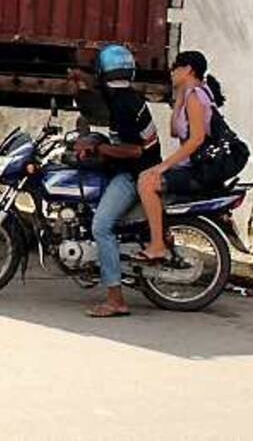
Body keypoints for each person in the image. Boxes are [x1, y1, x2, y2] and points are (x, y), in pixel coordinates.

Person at [77, 44, 162, 318]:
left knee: (101, 226)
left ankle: (115, 299)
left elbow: (135, 150)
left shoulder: (123, 104)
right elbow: (95, 90)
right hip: (135, 168)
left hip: (134, 172)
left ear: (104, 71)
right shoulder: (125, 96)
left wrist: (98, 149)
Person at [136, 50, 225, 262]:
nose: (172, 71)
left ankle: (158, 244)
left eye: (176, 67)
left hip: (199, 168)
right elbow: (175, 132)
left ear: (188, 70)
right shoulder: (189, 95)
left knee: (148, 182)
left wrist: (164, 166)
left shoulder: (196, 97)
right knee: (144, 177)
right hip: (190, 165)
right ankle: (161, 235)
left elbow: (196, 140)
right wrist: (179, 97)